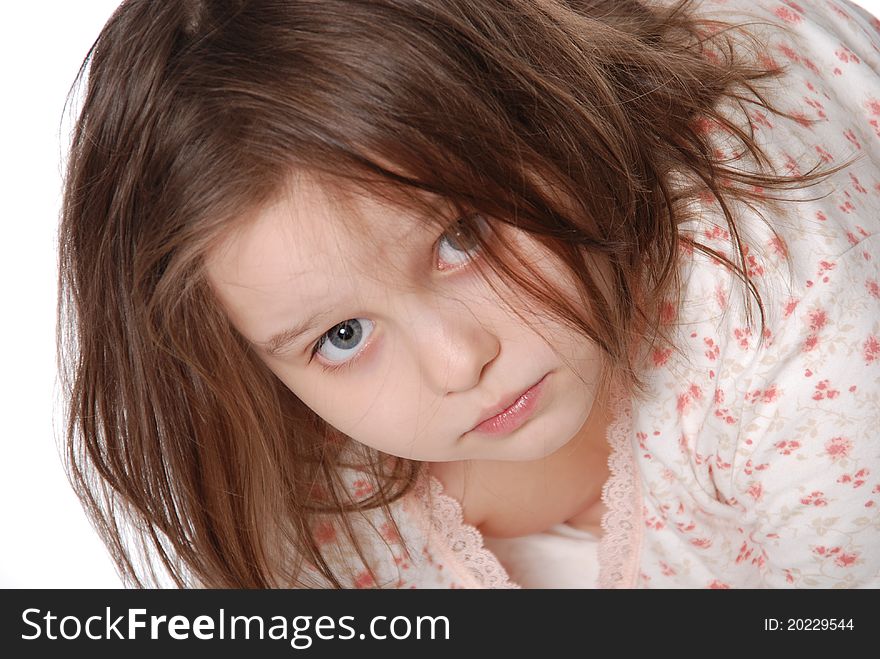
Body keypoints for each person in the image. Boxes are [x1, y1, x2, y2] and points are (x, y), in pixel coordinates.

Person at [57, 0, 880, 589]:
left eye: (462, 236)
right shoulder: (287, 480)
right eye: (342, 335)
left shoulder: (800, 338)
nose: (458, 362)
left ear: (547, 129)